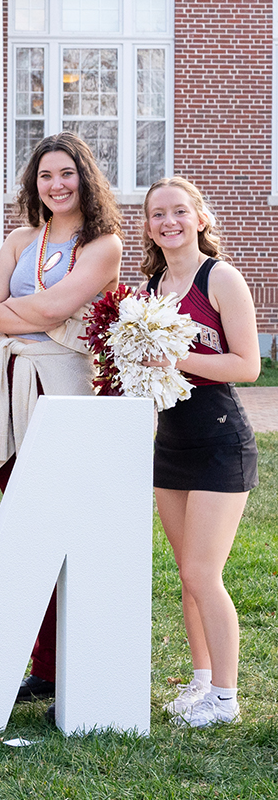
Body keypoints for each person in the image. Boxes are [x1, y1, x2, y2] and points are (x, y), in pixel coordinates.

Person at [0, 131, 122, 705]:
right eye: (44, 176)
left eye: (67, 174)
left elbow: (59, 308)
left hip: (64, 386)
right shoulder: (20, 239)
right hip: (9, 382)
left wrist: (11, 311)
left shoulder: (101, 244)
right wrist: (21, 315)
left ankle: (64, 661)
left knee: (60, 519)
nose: (56, 185)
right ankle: (36, 658)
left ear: (85, 178)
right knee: (23, 524)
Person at [142, 177, 259, 728]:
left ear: (200, 218)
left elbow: (246, 366)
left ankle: (227, 697)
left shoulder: (222, 278)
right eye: (157, 214)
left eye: (179, 211)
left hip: (218, 438)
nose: (169, 221)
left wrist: (174, 361)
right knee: (186, 573)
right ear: (147, 226)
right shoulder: (152, 284)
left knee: (202, 571)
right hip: (171, 440)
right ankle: (200, 681)